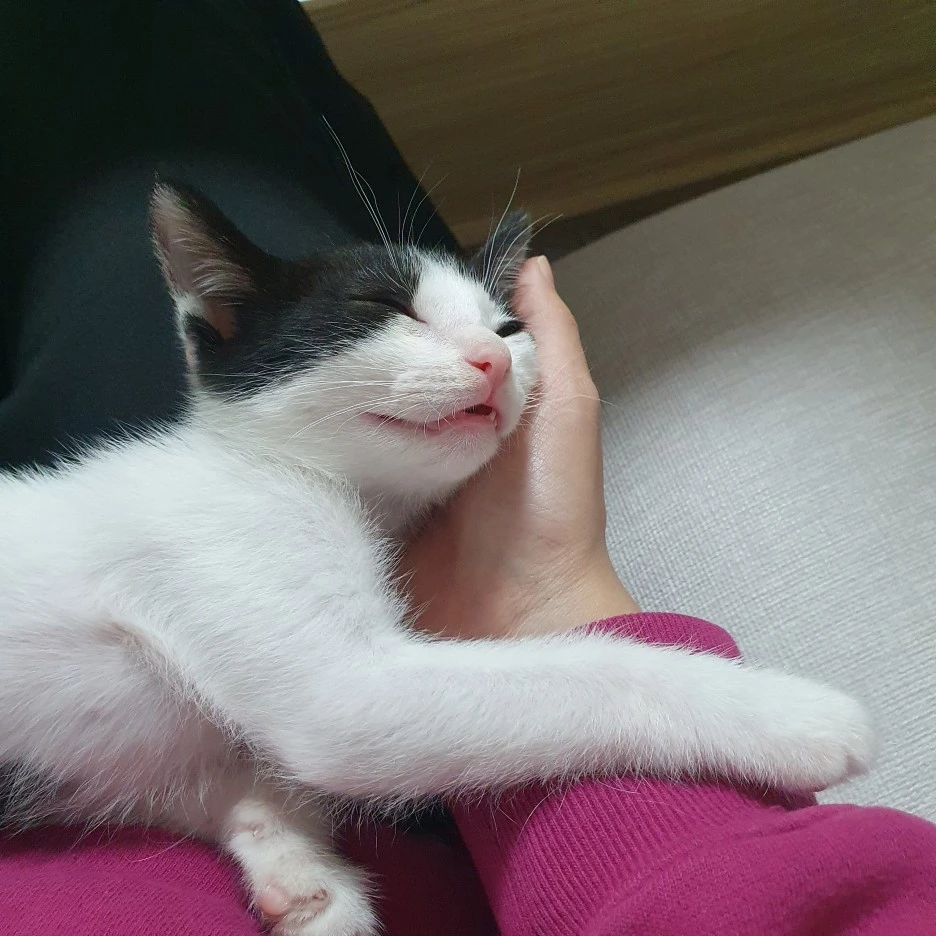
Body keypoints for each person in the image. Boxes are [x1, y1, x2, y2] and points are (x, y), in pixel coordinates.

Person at [1, 2, 935, 934]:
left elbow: (136, 734)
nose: (489, 357)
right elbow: (343, 718)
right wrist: (681, 700)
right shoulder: (214, 498)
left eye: (504, 326)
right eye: (395, 316)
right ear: (226, 322)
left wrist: (258, 820)